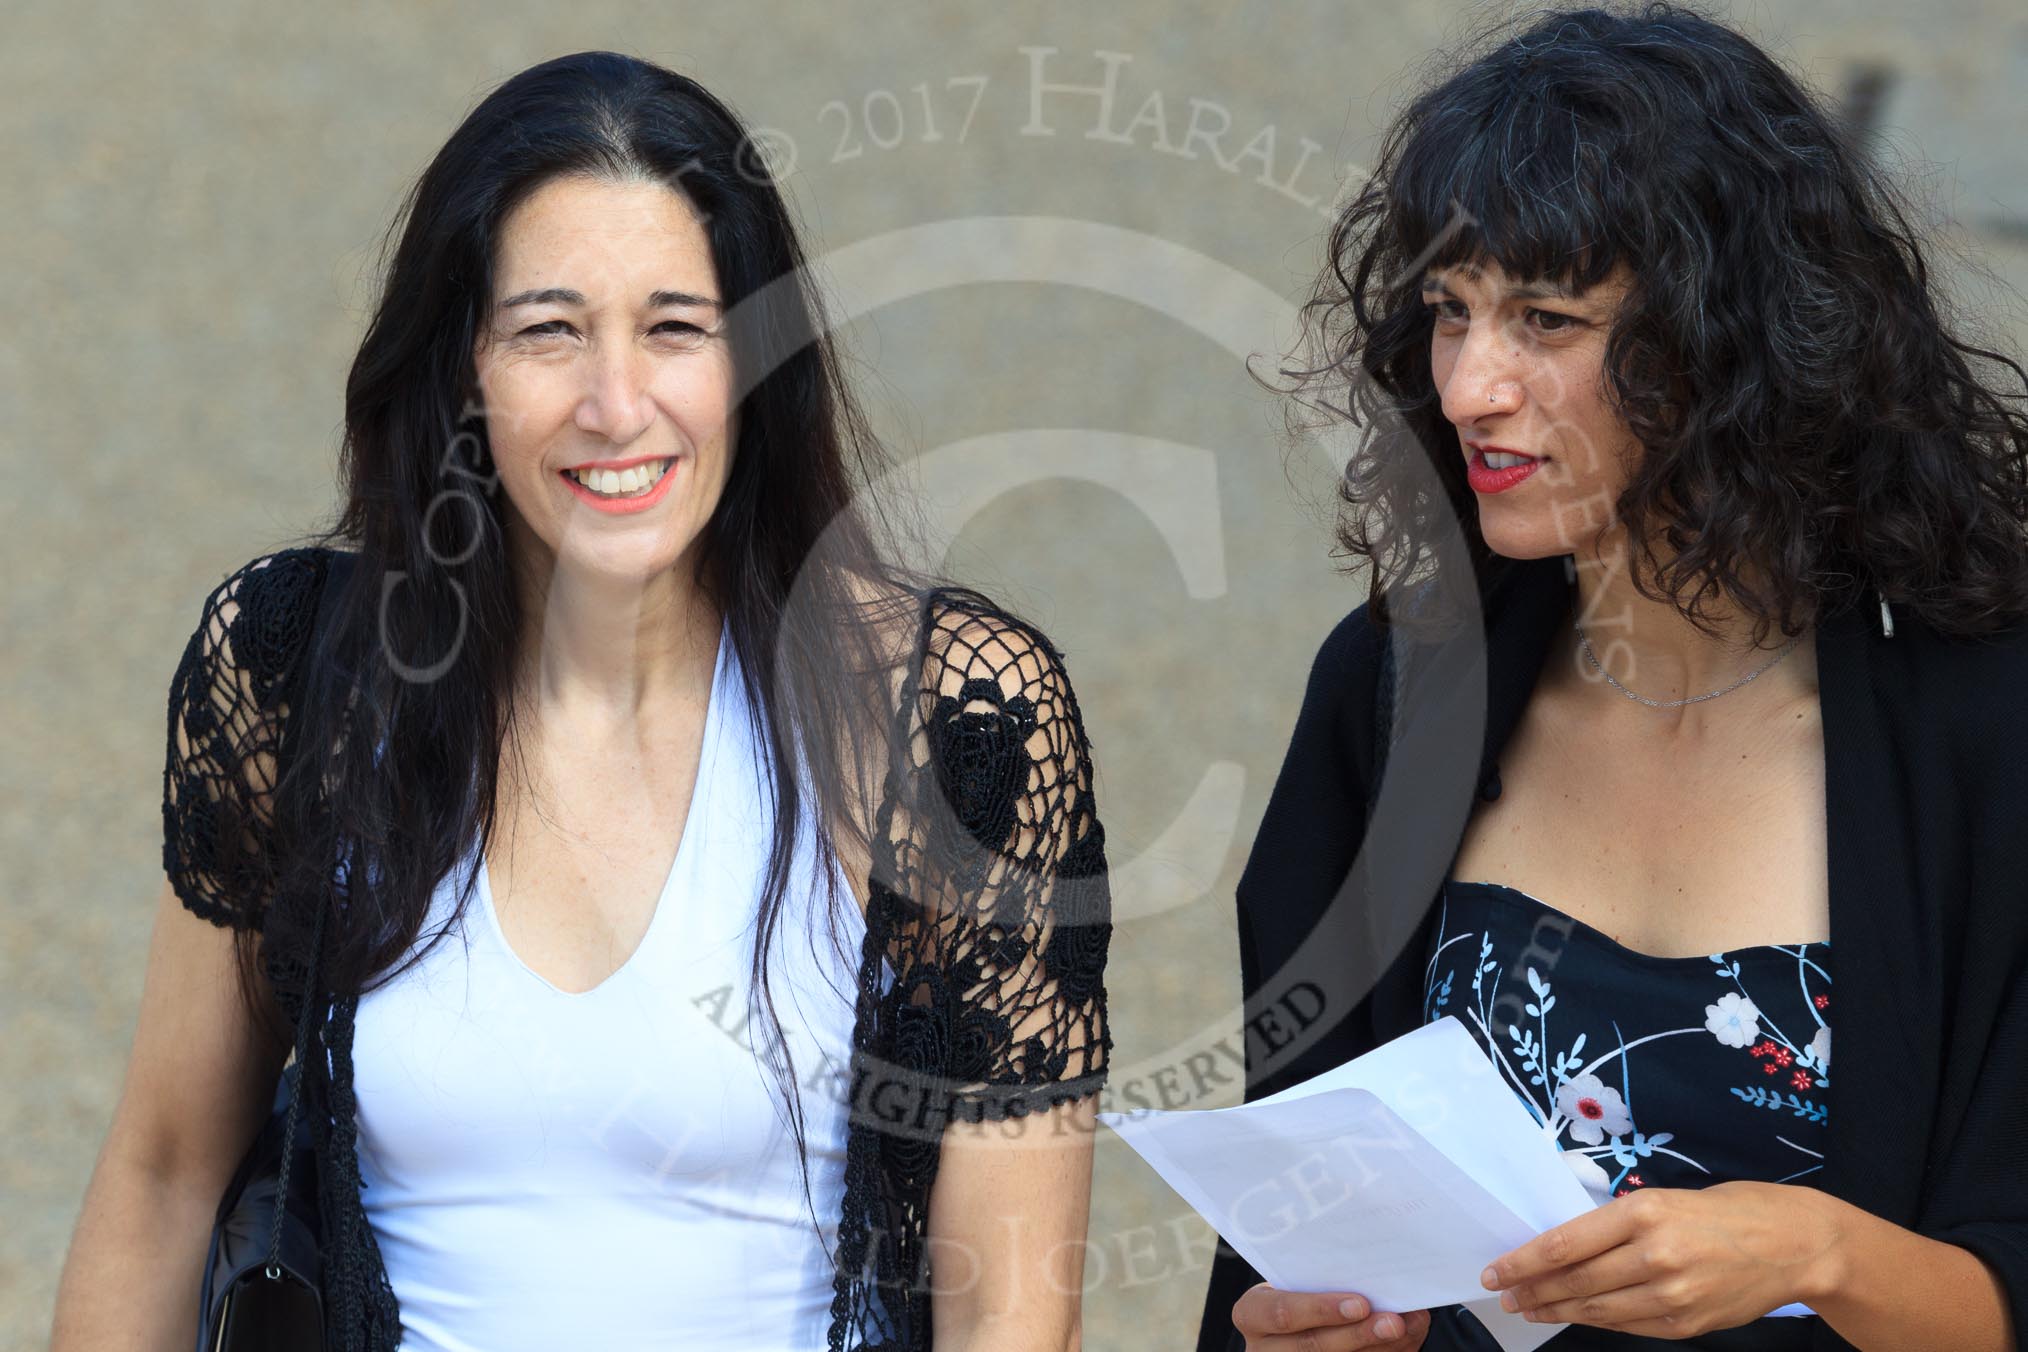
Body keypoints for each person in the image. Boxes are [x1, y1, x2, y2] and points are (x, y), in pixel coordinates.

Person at [51, 51, 1112, 1352]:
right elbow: (163, 1175)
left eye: (676, 328)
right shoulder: (299, 672)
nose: (618, 406)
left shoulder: (946, 714)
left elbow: (1006, 1304)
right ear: (465, 369)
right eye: (550, 330)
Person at [1199, 6, 2028, 1350]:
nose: (1471, 385)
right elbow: (1285, 1225)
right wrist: (1297, 1324)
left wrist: (1821, 1250)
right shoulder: (1390, 697)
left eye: (1547, 319)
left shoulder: (1984, 729)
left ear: (1732, 343)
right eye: (1449, 312)